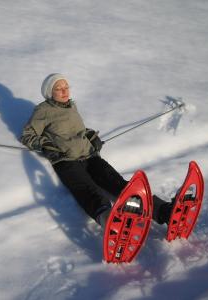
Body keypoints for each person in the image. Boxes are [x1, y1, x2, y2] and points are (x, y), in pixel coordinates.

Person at [20, 73, 172, 228]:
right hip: (66, 160)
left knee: (119, 184)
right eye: (59, 88)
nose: (64, 91)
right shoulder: (43, 110)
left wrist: (91, 136)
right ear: (49, 93)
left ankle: (163, 211)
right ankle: (111, 223)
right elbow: (27, 135)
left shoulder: (72, 106)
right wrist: (46, 147)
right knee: (89, 191)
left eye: (66, 87)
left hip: (89, 155)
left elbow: (78, 129)